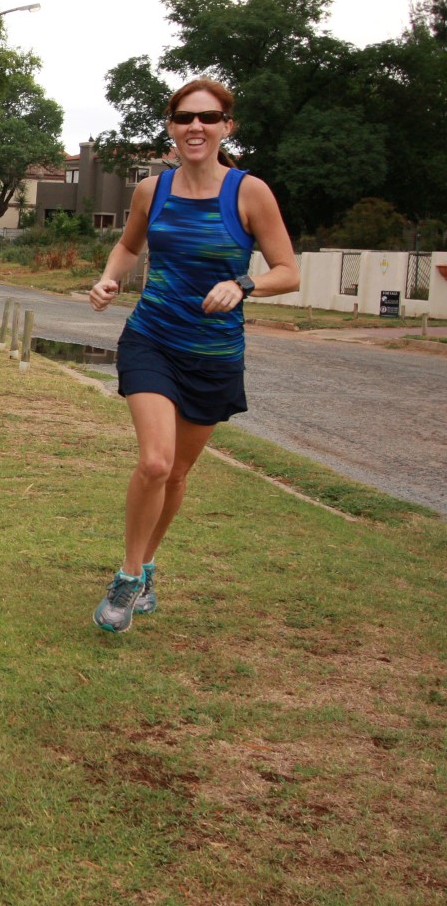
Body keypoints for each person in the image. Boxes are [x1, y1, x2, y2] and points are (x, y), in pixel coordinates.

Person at [87, 78, 298, 633]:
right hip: (152, 338)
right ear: (171, 127)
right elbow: (130, 246)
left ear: (228, 125)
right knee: (155, 461)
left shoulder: (249, 193)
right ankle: (129, 577)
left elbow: (288, 272)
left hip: (214, 354)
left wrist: (244, 286)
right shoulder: (151, 191)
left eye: (208, 117)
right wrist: (110, 280)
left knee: (177, 473)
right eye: (183, 118)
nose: (195, 127)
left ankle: (149, 564)